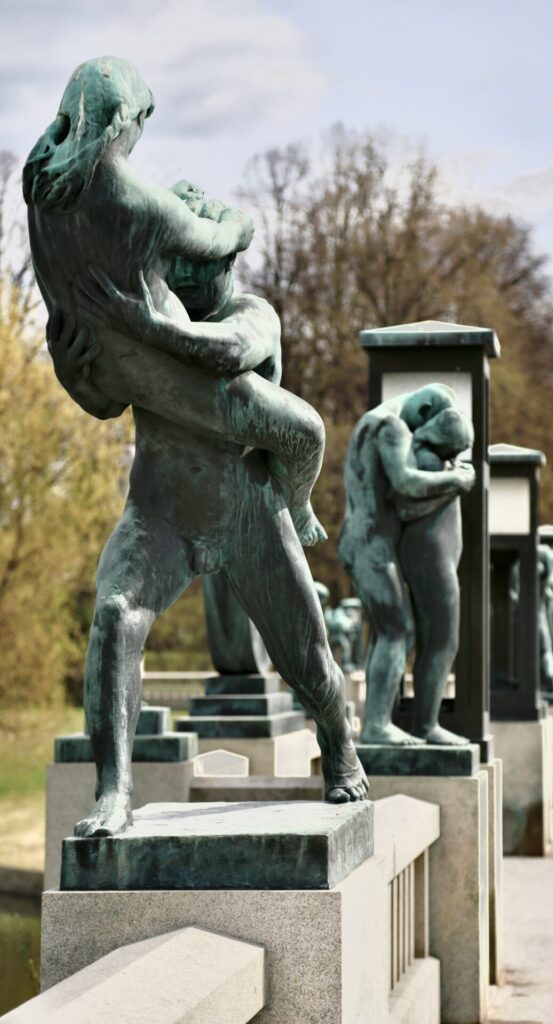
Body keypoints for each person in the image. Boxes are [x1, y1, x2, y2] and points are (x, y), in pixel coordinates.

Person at [25, 57, 367, 836]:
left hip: (245, 509)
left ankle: (341, 754)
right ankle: (113, 791)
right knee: (115, 619)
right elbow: (106, 403)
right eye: (176, 263)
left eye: (195, 260)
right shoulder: (144, 311)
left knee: (305, 655)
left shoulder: (251, 312)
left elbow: (224, 360)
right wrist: (78, 357)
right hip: (161, 511)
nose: (182, 268)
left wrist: (145, 329)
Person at [339, 384, 475, 745]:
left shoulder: (374, 422)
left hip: (368, 541)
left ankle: (383, 723)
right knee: (394, 631)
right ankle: (377, 727)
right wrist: (458, 478)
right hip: (370, 543)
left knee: (399, 629)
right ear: (426, 407)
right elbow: (406, 483)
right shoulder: (391, 426)